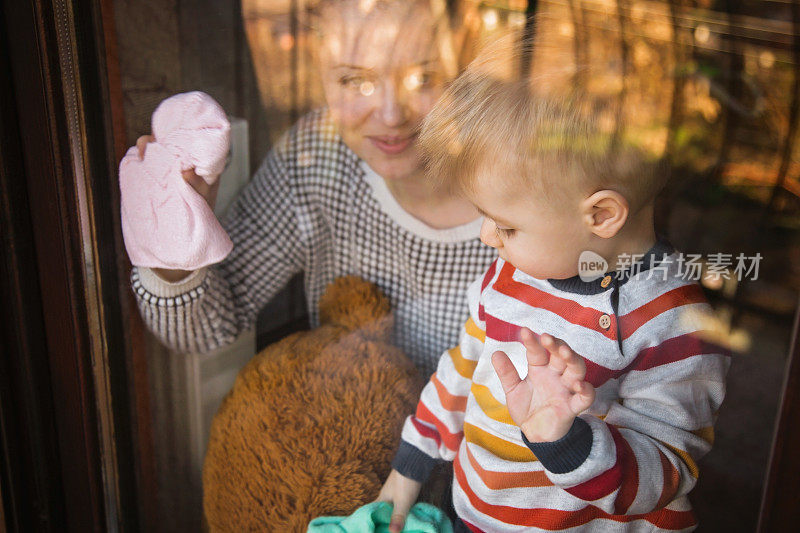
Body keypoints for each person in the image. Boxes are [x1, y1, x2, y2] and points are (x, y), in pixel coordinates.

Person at [377, 40, 730, 532]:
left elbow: (669, 468)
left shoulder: (670, 323)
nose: (486, 237)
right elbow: (465, 365)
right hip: (476, 515)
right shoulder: (511, 274)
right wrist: (410, 463)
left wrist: (566, 440)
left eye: (506, 224)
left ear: (601, 215)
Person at [129, 0, 496, 378]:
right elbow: (210, 328)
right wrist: (173, 247)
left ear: (463, 64)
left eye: (423, 78)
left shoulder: (520, 184)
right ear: (320, 73)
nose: (391, 115)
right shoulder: (316, 158)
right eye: (356, 81)